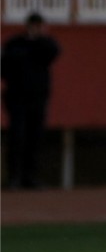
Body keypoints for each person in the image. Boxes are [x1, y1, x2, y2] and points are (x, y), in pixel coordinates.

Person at [1, 12, 61, 189]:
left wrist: (39, 39)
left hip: (38, 99)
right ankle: (14, 178)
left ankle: (30, 177)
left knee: (34, 139)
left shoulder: (46, 44)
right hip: (17, 98)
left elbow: (54, 52)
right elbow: (4, 66)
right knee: (17, 138)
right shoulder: (15, 44)